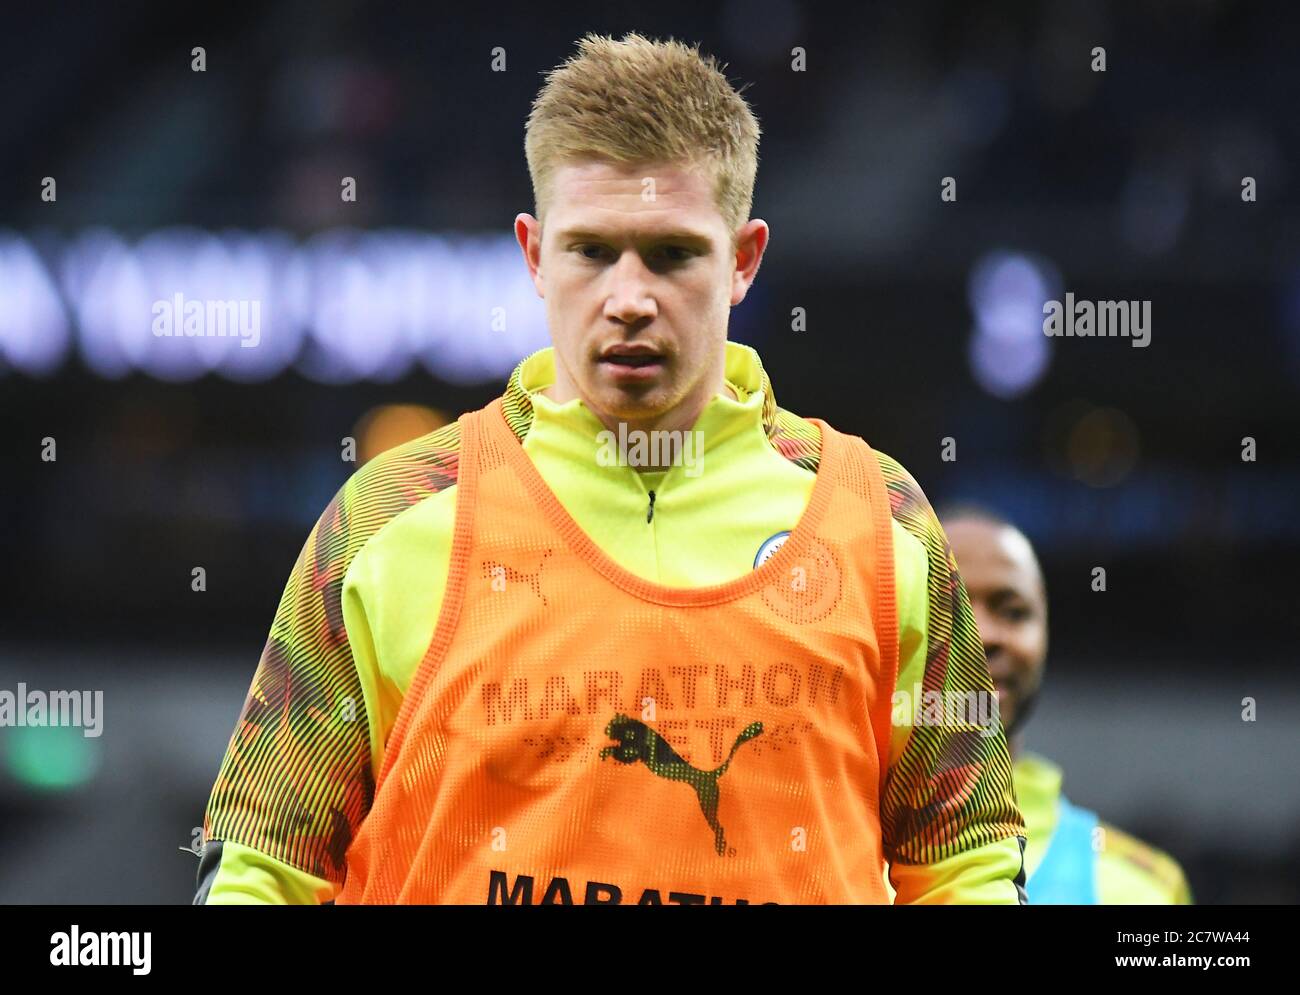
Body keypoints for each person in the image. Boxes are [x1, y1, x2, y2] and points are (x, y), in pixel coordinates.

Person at [194, 31, 1026, 905]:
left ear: (742, 260)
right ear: (533, 253)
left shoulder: (880, 521)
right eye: (592, 251)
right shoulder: (391, 518)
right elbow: (263, 867)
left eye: (672, 254)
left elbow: (962, 866)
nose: (629, 298)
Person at [939, 503, 1192, 904]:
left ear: (1045, 634)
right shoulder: (830, 857)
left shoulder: (1143, 888)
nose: (983, 634)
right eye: (947, 608)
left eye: (1013, 611)